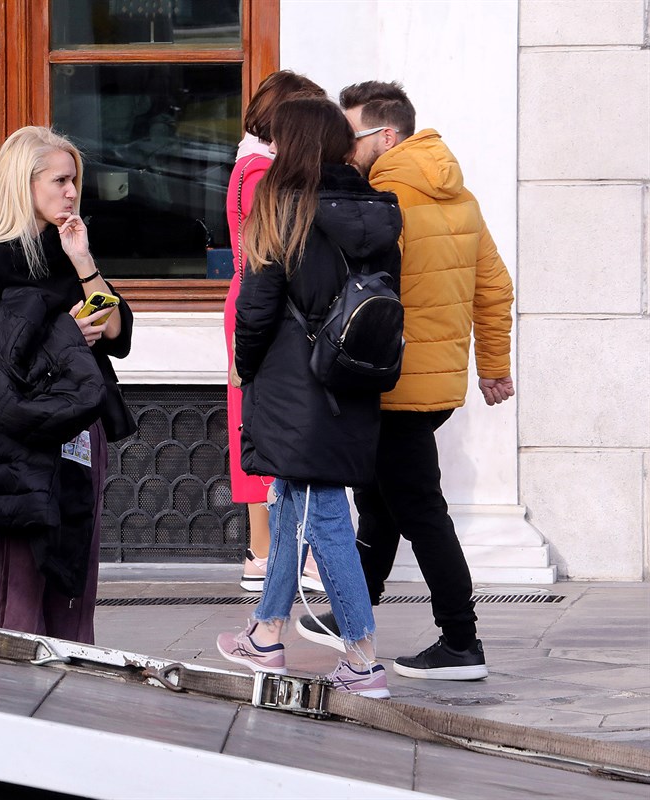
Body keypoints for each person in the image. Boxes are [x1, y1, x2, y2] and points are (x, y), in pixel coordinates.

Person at [297, 81, 515, 681]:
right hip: (436, 388)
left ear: (386, 136)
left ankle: (461, 642)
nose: (345, 146)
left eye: (351, 135)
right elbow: (495, 288)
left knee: (419, 511)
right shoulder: (461, 197)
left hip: (391, 383)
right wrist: (493, 367)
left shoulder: (382, 197)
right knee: (380, 502)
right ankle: (353, 613)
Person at [215, 98, 402, 697]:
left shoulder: (282, 207)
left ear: (295, 145)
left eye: (277, 140)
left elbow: (256, 306)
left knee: (325, 517)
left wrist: (245, 368)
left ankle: (363, 659)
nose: (270, 149)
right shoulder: (378, 211)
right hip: (355, 377)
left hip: (294, 382)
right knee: (290, 499)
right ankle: (266, 632)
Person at [0, 126, 135, 645]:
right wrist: (65, 337)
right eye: (60, 180)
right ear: (26, 183)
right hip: (19, 434)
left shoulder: (71, 249)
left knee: (76, 559)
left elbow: (116, 332)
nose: (72, 192)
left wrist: (84, 261)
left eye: (74, 180)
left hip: (80, 425)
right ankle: (14, 671)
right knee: (24, 568)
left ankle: (74, 661)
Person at [224, 70, 327, 594]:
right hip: (266, 306)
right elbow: (273, 254)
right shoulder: (264, 171)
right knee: (269, 423)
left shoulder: (252, 164)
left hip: (254, 302)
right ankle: (274, 552)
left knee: (257, 420)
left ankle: (263, 551)